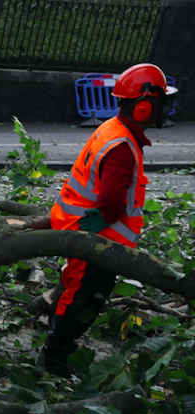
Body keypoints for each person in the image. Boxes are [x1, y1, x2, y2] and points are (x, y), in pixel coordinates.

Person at [42, 62, 177, 377]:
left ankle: (56, 336)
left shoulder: (112, 128)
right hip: (96, 237)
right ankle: (54, 357)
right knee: (85, 297)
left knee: (74, 285)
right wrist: (102, 219)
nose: (166, 108)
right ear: (144, 106)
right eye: (162, 103)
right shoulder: (122, 147)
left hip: (78, 225)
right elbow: (114, 201)